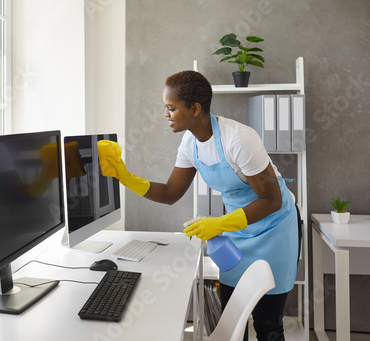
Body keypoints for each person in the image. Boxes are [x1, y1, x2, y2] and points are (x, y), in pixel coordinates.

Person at [99, 70, 299, 341]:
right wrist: (126, 177)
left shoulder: (239, 139)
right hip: (239, 230)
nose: (166, 115)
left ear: (195, 108)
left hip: (274, 227)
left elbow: (271, 200)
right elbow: (171, 193)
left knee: (268, 325)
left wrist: (220, 223)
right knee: (232, 319)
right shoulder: (190, 143)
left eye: (171, 108)